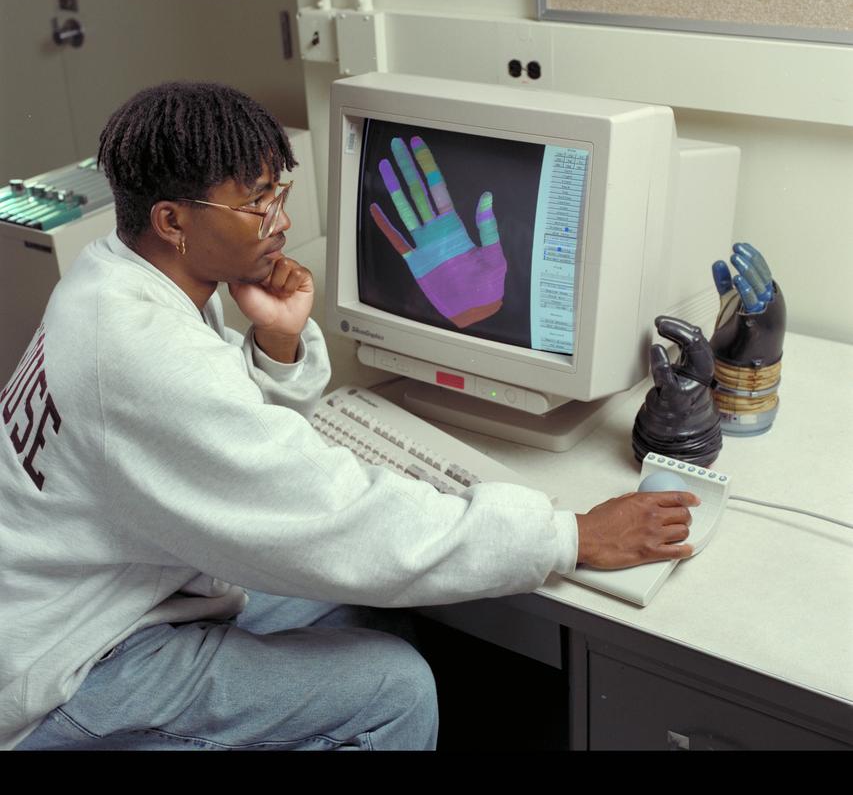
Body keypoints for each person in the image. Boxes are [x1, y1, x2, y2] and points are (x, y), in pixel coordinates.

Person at [1, 82, 698, 752]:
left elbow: (209, 446)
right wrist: (565, 536)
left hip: (113, 589)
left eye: (281, 191)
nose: (283, 223)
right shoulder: (142, 356)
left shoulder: (110, 281)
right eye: (256, 203)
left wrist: (274, 343)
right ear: (173, 221)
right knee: (394, 688)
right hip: (75, 666)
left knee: (357, 609)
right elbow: (336, 520)